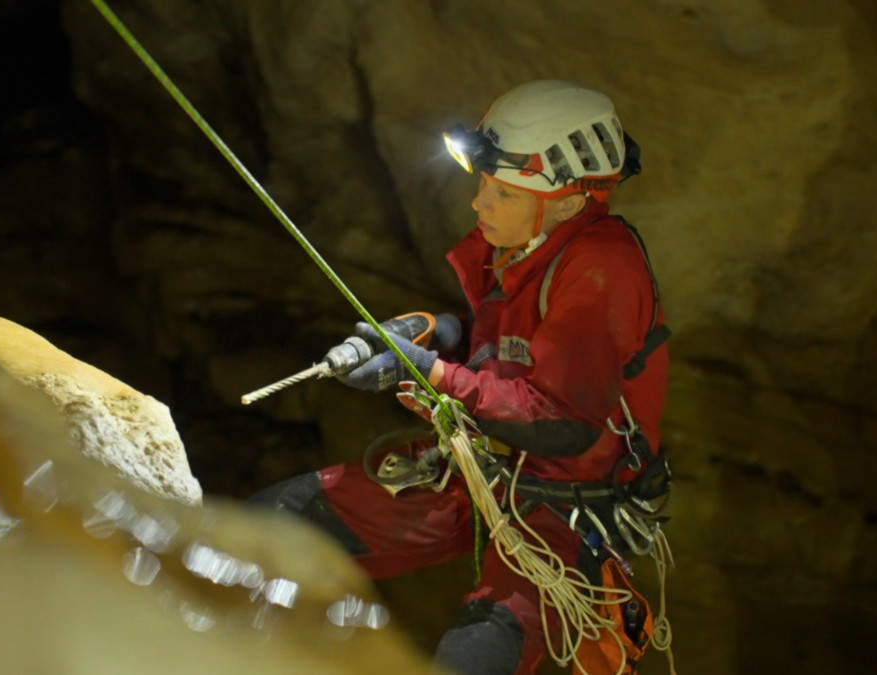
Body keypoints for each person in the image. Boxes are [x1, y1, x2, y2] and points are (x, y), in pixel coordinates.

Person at [250, 80, 670, 675]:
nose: (480, 204)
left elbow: (563, 422)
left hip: (564, 513)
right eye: (484, 184)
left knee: (475, 656)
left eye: (503, 191)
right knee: (270, 526)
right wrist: (441, 334)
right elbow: (512, 347)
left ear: (570, 203)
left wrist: (432, 371)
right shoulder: (527, 243)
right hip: (479, 472)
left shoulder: (602, 268)